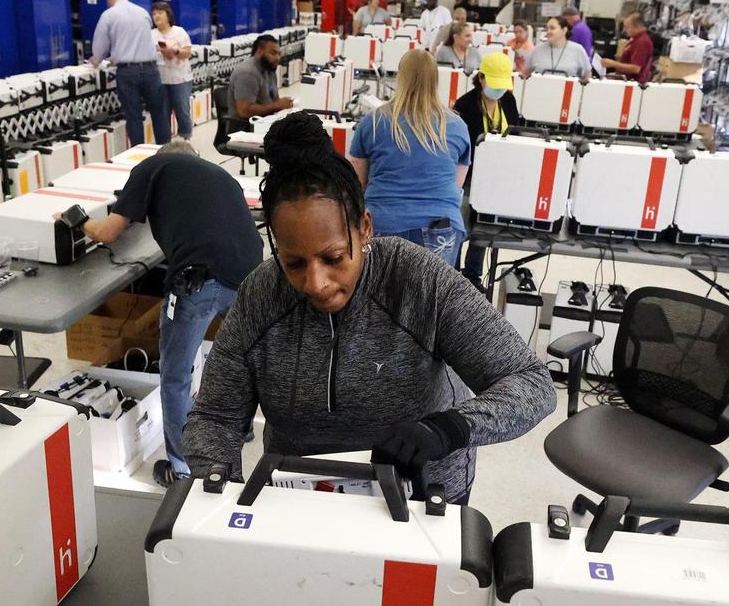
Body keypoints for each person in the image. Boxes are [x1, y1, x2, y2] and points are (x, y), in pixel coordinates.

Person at [182, 112, 556, 504]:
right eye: (293, 263)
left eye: (334, 257)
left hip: (421, 497)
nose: (316, 283)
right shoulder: (262, 295)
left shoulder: (417, 280)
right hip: (301, 499)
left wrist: (447, 430)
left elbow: (531, 382)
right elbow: (215, 416)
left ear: (364, 227)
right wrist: (218, 488)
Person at [61, 139, 263, 486]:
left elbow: (109, 233)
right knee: (236, 363)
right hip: (251, 274)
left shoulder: (151, 167)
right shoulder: (222, 176)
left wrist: (77, 221)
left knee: (175, 376)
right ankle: (239, 431)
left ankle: (183, 468)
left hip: (198, 280)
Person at [348, 50, 471, 265]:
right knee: (433, 297)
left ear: (400, 77)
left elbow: (358, 182)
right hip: (441, 226)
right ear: (435, 80)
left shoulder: (373, 121)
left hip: (382, 222)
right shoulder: (456, 126)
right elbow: (457, 184)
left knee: (378, 295)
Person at [452, 53, 521, 289]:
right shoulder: (465, 105)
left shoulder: (509, 102)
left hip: (497, 177)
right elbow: (458, 144)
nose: (499, 90)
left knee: (483, 229)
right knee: (461, 226)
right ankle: (452, 276)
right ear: (481, 78)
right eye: (495, 85)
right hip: (469, 175)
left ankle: (473, 277)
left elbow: (516, 133)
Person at [91, 0, 172, 146]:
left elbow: (100, 45)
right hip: (150, 69)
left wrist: (96, 59)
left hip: (128, 72)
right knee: (159, 112)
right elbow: (140, 38)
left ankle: (139, 155)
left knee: (133, 115)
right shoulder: (142, 12)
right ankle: (166, 150)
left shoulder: (109, 15)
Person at [151, 2, 194, 140]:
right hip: (160, 79)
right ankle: (165, 142)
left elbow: (187, 53)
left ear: (168, 15)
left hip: (180, 78)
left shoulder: (179, 32)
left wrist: (175, 51)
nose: (157, 16)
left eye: (160, 13)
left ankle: (185, 138)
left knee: (182, 109)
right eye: (154, 14)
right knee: (162, 112)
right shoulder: (151, 35)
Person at [227, 34, 294, 119]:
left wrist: (283, 103)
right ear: (259, 51)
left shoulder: (269, 68)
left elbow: (274, 101)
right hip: (246, 127)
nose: (277, 58)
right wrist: (276, 106)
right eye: (273, 53)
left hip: (266, 120)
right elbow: (244, 111)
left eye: (279, 54)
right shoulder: (248, 73)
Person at [526, 16, 591, 79]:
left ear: (564, 30)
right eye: (547, 29)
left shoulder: (578, 50)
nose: (548, 32)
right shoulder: (538, 49)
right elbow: (525, 73)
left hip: (568, 89)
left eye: (552, 28)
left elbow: (587, 75)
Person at [603, 12, 654, 84]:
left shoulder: (642, 42)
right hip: (625, 81)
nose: (624, 30)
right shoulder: (635, 39)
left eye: (627, 27)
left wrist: (613, 64)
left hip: (632, 85)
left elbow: (636, 68)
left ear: (638, 26)